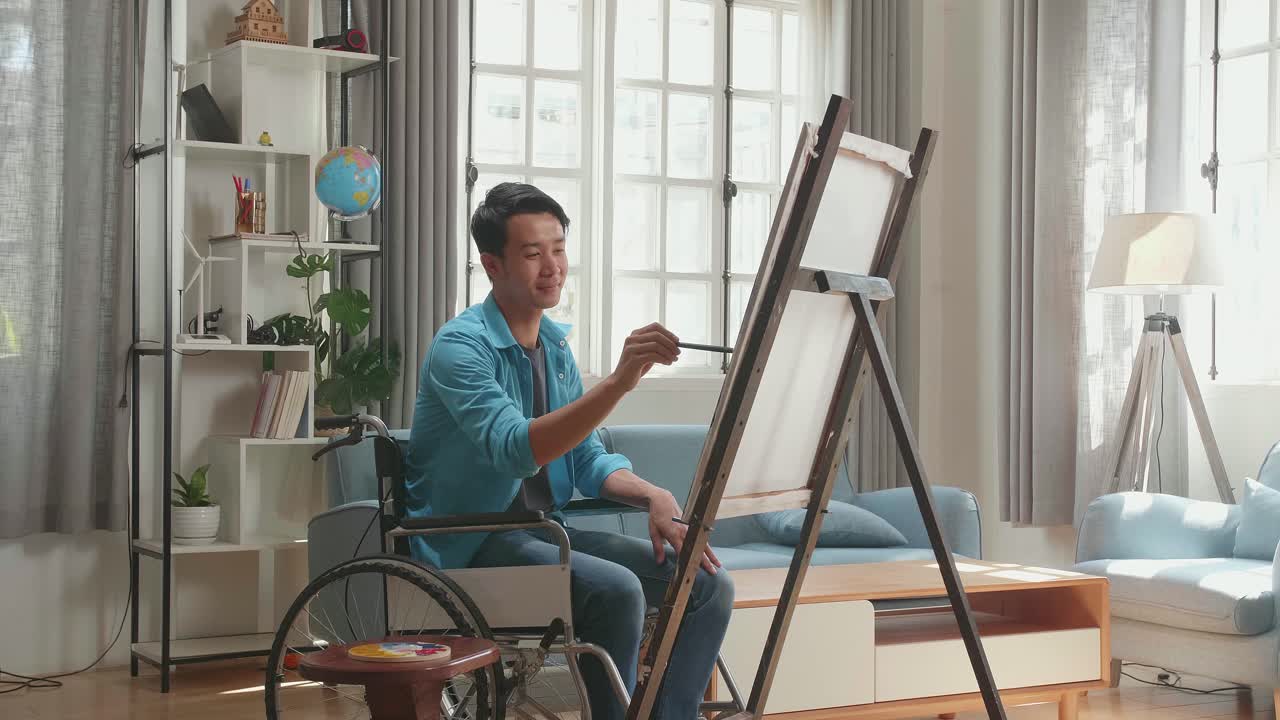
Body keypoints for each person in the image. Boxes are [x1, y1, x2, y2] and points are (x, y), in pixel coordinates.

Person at [404, 182, 734, 720]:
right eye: (533, 253)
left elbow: (585, 459)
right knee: (618, 590)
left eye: (558, 249)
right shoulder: (459, 349)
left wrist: (653, 493)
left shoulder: (554, 348)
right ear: (492, 265)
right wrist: (620, 382)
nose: (552, 265)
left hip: (544, 533)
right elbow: (516, 450)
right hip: (471, 542)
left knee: (707, 583)